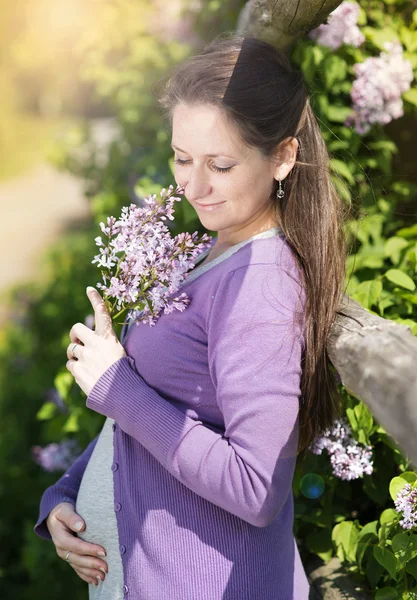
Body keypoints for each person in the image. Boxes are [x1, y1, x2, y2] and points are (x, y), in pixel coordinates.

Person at [34, 34, 348, 599]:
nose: (193, 186)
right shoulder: (216, 248)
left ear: (283, 156)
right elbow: (159, 415)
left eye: (220, 165)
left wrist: (116, 385)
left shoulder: (262, 286)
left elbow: (255, 489)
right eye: (182, 158)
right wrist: (65, 495)